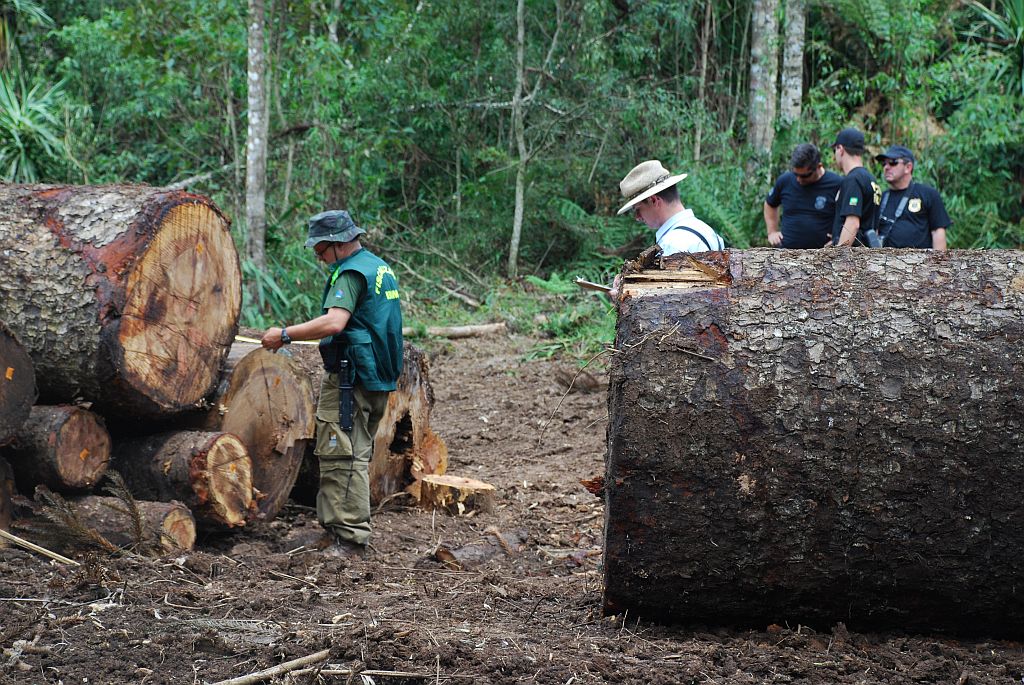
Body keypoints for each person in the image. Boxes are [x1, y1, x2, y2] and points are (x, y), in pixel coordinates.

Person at [261, 210, 403, 557]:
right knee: (353, 449)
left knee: (341, 452)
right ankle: (338, 531)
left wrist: (284, 335)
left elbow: (334, 322)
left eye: (320, 249)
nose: (317, 256)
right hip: (377, 373)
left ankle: (350, 539)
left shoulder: (351, 273)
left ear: (337, 244)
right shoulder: (378, 266)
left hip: (352, 376)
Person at [616, 160, 724, 255]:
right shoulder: (709, 232)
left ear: (654, 200)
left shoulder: (671, 246)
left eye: (637, 209)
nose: (637, 217)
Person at [764, 143, 842, 249]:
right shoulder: (785, 181)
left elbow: (849, 215)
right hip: (785, 254)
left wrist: (838, 238)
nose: (799, 179)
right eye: (796, 174)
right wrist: (772, 232)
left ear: (819, 167)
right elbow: (770, 204)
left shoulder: (837, 184)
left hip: (822, 256)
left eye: (805, 176)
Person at [874, 145, 950, 250]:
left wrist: (939, 264)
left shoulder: (928, 194)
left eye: (893, 162)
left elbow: (938, 232)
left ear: (908, 167)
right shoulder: (881, 198)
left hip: (919, 263)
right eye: (884, 164)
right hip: (884, 262)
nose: (886, 167)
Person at [830, 128, 882, 247]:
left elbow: (853, 224)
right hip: (867, 254)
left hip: (854, 257)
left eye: (835, 150)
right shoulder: (871, 180)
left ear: (840, 149)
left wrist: (838, 255)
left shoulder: (853, 179)